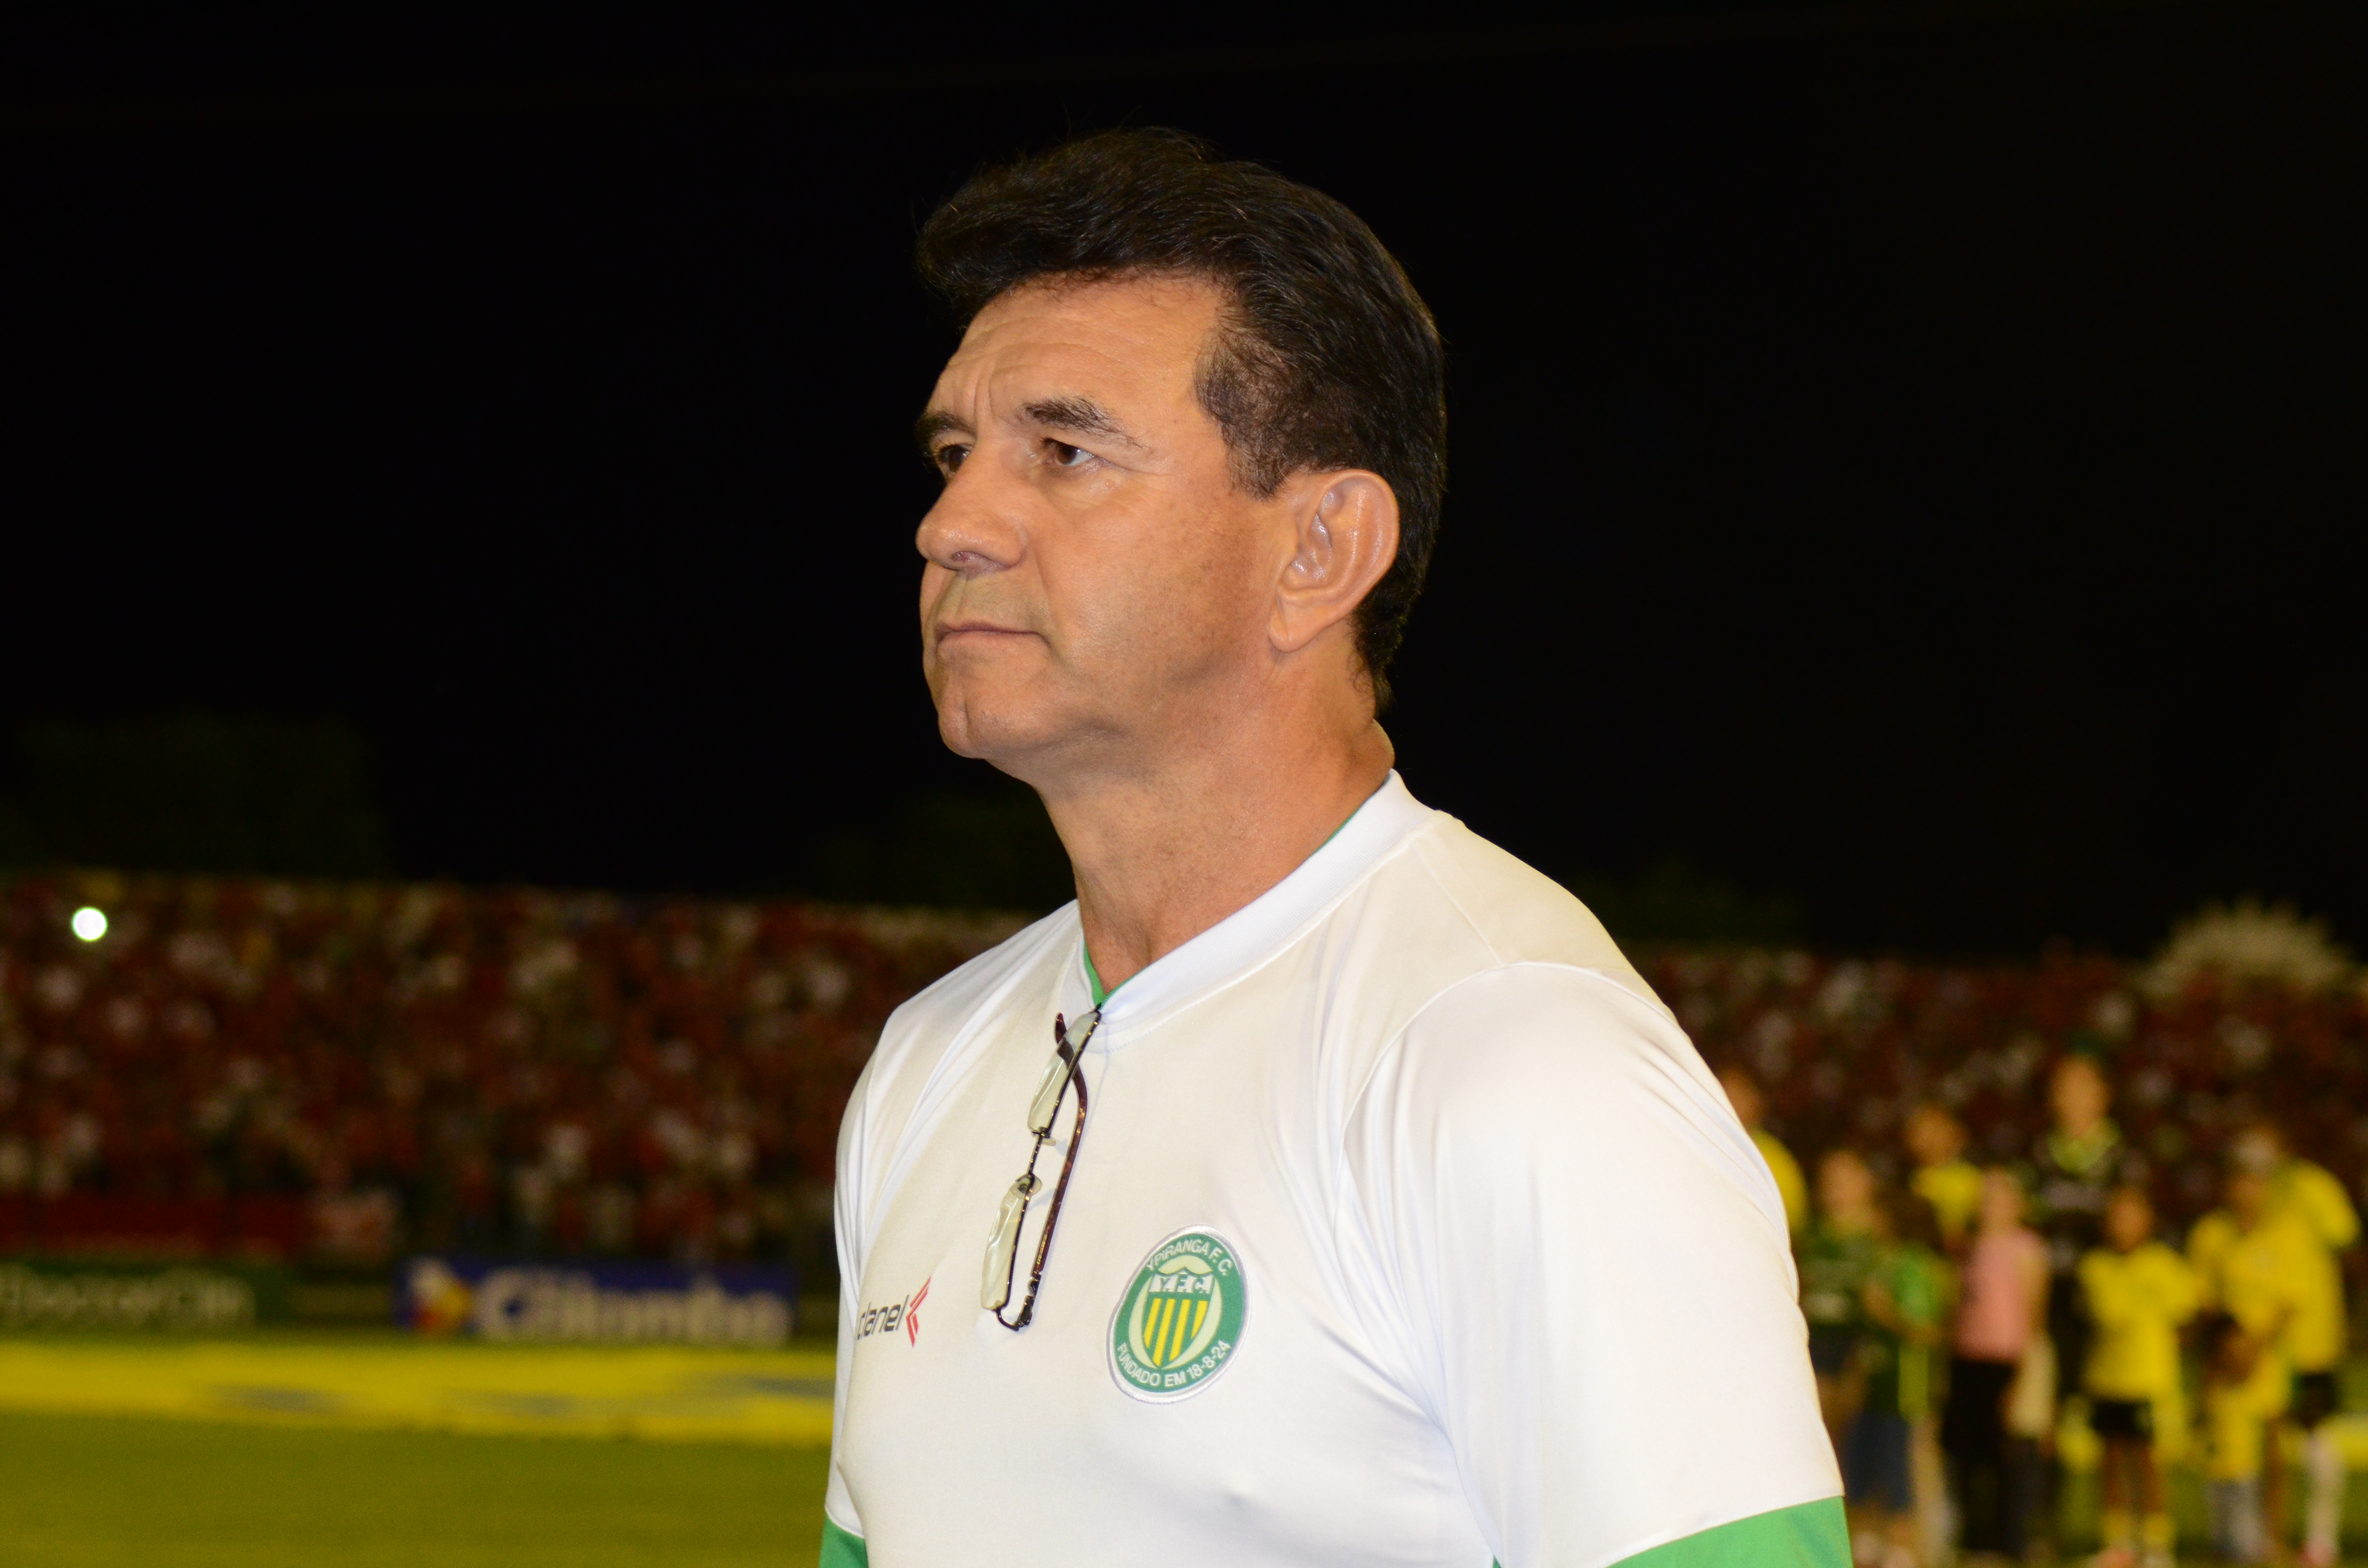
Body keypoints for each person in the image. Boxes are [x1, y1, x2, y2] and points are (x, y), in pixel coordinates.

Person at [820, 129, 1842, 1568]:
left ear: (1319, 551)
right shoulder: (926, 1064)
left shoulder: (1509, 1059)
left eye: (1064, 451)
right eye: (951, 454)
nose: (951, 524)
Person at [2232, 1121, 2358, 1567]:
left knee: (2316, 1440)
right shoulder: (2246, 1194)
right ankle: (2263, 1538)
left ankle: (2321, 1541)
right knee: (2260, 1445)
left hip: (2310, 1343)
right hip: (2262, 1344)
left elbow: (2346, 1245)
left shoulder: (2313, 1186)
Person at [2189, 1159, 2311, 1568]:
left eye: (2254, 1183)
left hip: (2271, 1359)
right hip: (2224, 1360)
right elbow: (2203, 1296)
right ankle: (2226, 1537)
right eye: (2239, 1182)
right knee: (2225, 1452)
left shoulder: (2287, 1234)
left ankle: (2273, 1537)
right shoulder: (2210, 1233)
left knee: (2273, 1452)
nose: (2247, 1192)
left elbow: (2291, 1299)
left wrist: (2255, 1345)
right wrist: (2228, 1345)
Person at [2076, 1186, 2195, 1568]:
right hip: (2106, 1379)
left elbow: (2187, 1316)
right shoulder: (2095, 1266)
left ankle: (2156, 1544)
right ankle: (2118, 1543)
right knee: (2111, 1461)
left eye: (2131, 1217)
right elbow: (2101, 1314)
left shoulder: (2164, 1265)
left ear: (2148, 1222)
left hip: (2149, 1380)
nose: (2123, 1226)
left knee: (2149, 1464)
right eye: (2117, 1218)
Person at [1942, 1167, 2048, 1563]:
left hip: (2007, 1359)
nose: (1989, 1207)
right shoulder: (1968, 1247)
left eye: (1999, 1198)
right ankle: (1974, 1537)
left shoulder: (2026, 1248)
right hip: (1968, 1358)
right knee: (1969, 1454)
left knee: (2009, 1455)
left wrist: (2028, 1371)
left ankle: (2009, 1540)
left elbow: (2034, 1314)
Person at [1851, 1188, 1951, 1568]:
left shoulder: (1915, 1265)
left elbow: (1924, 1329)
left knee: (1900, 1466)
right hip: (1877, 1384)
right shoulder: (1884, 1259)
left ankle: (1905, 1548)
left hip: (1905, 1386)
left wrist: (1884, 1311)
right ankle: (1870, 1542)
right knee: (1865, 1461)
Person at [1802, 1149, 1885, 1452]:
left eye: (1844, 1180)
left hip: (1855, 1341)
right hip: (1816, 1336)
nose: (1834, 1189)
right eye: (1829, 1181)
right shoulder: (1814, 1235)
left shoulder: (1877, 1236)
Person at [2197, 1311, 2279, 1565]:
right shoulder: (2216, 1390)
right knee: (2222, 1532)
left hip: (2246, 1473)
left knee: (2243, 1541)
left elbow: (2271, 1440)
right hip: (2218, 1470)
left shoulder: (2258, 1391)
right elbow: (2202, 1424)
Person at [1725, 1062, 1811, 1241]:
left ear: (1756, 1104)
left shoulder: (1775, 1161)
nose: (1730, 1102)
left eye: (1739, 1095)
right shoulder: (1693, 1141)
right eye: (1725, 1093)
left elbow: (1793, 1229)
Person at [1905, 1102, 1984, 1251]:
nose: (1927, 1140)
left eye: (1934, 1131)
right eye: (1920, 1132)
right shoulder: (1909, 1182)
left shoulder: (1971, 1178)